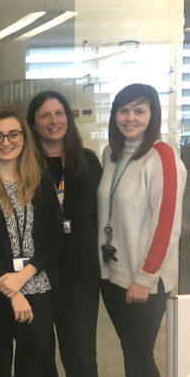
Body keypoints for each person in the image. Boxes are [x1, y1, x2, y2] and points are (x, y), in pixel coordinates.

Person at [0, 106, 63, 377]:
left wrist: (24, 276)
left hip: (38, 288)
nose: (6, 142)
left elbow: (55, 239)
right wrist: (13, 290)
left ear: (24, 138)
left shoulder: (42, 182)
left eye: (13, 134)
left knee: (36, 367)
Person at [98, 83, 186, 377]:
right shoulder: (111, 153)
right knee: (131, 351)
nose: (130, 117)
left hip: (143, 280)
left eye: (139, 110)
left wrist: (145, 279)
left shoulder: (163, 156)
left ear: (153, 115)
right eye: (123, 110)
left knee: (139, 358)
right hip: (112, 275)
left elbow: (167, 224)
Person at [27, 91, 101, 377]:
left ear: (68, 119)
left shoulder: (88, 162)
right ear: (33, 123)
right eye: (45, 115)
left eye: (59, 113)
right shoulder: (24, 166)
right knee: (41, 359)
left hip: (80, 277)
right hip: (38, 274)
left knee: (81, 359)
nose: (53, 121)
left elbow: (99, 217)